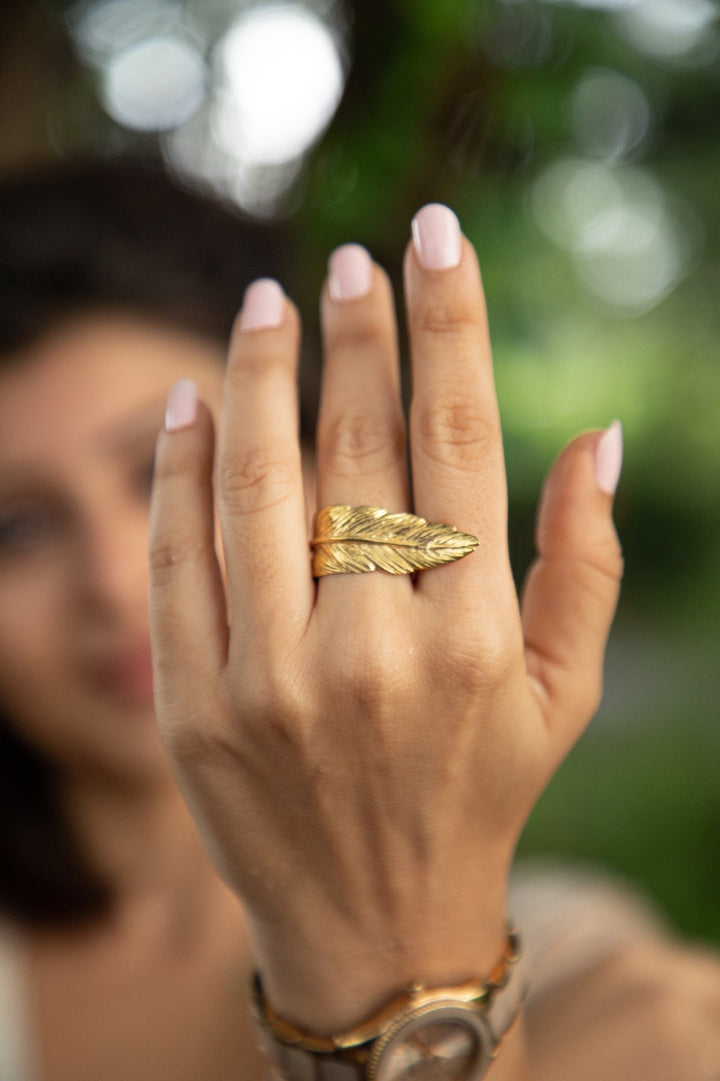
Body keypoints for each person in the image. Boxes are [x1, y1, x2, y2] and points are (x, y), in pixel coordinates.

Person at [0, 159, 717, 1081]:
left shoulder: (595, 974)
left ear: (325, 461)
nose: (109, 578)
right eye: (16, 526)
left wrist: (399, 958)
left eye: (160, 470)